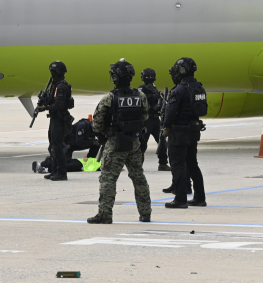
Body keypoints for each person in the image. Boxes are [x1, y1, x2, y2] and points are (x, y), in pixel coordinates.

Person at [87, 59, 152, 224]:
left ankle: (105, 214)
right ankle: (145, 213)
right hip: (134, 143)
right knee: (139, 177)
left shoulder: (109, 98)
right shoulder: (140, 95)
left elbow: (97, 124)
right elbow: (145, 117)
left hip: (115, 144)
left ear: (116, 77)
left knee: (108, 179)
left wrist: (103, 134)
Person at [162, 58, 208, 209]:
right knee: (192, 164)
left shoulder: (179, 90)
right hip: (193, 131)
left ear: (182, 70)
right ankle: (199, 198)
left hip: (179, 133)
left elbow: (170, 112)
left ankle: (180, 199)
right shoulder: (199, 88)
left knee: (178, 165)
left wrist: (166, 127)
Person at [34, 61, 73, 181]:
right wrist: (43, 102)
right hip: (54, 118)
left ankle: (62, 172)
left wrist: (45, 107)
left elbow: (59, 105)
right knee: (52, 146)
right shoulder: (54, 85)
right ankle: (55, 170)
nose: (52, 74)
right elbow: (51, 101)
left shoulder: (61, 87)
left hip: (60, 119)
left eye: (54, 71)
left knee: (57, 146)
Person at [33, 117, 99, 174]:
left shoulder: (96, 129)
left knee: (97, 143)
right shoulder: (83, 126)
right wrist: (93, 142)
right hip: (69, 144)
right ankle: (44, 163)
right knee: (64, 161)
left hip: (78, 148)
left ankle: (90, 159)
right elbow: (79, 142)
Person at [138, 68, 170, 171]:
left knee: (162, 142)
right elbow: (141, 101)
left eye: (152, 76)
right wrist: (152, 97)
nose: (150, 78)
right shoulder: (141, 89)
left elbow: (159, 101)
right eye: (148, 76)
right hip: (146, 120)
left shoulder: (154, 88)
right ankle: (138, 165)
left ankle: (163, 163)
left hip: (156, 119)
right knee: (142, 143)